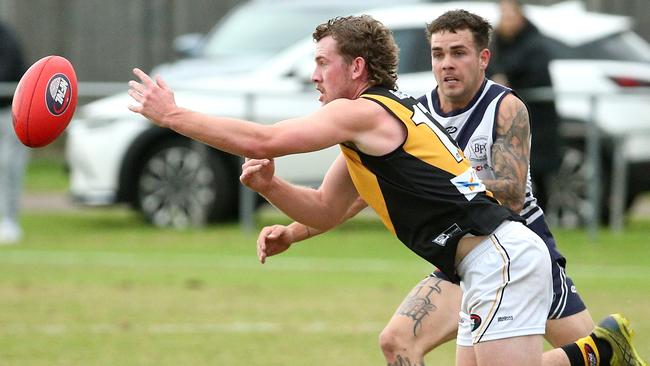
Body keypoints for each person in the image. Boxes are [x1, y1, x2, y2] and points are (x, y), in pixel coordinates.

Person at [128, 14, 642, 366]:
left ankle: (596, 352)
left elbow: (268, 138)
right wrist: (272, 188)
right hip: (480, 263)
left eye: (322, 63)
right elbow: (325, 210)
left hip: (502, 255)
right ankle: (597, 352)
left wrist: (172, 114)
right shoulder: (370, 130)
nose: (313, 75)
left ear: (357, 69)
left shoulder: (366, 111)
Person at [487, 0, 561, 210]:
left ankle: (541, 215)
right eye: (503, 13)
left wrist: (509, 77)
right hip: (507, 120)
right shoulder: (496, 43)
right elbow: (489, 67)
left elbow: (536, 73)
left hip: (537, 120)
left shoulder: (535, 43)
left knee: (538, 173)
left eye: (509, 14)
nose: (505, 19)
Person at [0, 21, 28, 244]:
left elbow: (8, 72)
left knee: (9, 166)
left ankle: (9, 221)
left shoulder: (5, 36)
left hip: (10, 113)